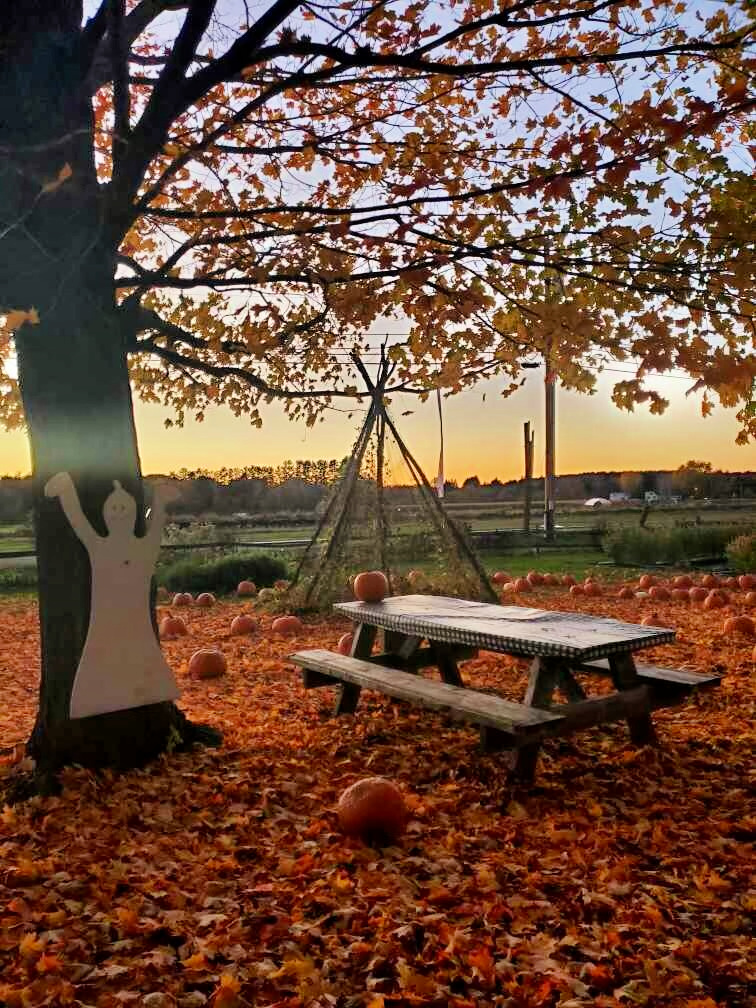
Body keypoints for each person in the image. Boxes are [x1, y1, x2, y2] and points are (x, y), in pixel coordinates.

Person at [44, 473, 180, 718]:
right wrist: (66, 490)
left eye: (123, 508)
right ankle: (100, 696)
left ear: (132, 513)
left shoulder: (143, 548)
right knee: (103, 653)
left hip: (134, 617)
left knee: (139, 650)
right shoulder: (100, 545)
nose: (118, 513)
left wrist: (160, 501)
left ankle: (141, 690)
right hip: (106, 618)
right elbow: (78, 521)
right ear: (107, 515)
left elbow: (157, 524)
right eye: (114, 508)